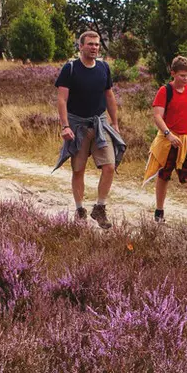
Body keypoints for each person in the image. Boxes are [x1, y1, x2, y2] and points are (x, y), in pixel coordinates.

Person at [52, 29, 125, 227]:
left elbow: (109, 96)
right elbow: (61, 99)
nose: (94, 47)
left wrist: (115, 123)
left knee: (109, 166)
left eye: (97, 44)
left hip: (100, 124)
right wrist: (65, 126)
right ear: (81, 46)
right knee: (78, 169)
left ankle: (99, 208)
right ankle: (79, 209)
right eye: (90, 44)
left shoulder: (103, 68)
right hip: (77, 126)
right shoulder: (71, 68)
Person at [144, 54, 187, 227]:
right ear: (173, 73)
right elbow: (157, 117)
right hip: (168, 141)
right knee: (164, 176)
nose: (185, 79)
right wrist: (168, 134)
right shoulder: (164, 91)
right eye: (182, 75)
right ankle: (159, 212)